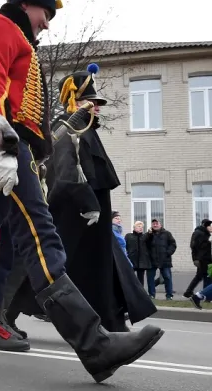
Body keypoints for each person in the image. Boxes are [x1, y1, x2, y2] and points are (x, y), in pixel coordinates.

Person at [0, 0, 164, 381]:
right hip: (4, 148)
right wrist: (3, 152)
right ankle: (95, 345)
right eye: (47, 13)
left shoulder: (15, 35)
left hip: (2, 150)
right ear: (28, 3)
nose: (47, 23)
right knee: (41, 237)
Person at [9, 69, 157, 333]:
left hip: (94, 214)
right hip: (74, 213)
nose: (96, 106)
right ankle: (6, 310)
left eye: (98, 102)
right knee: (52, 267)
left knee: (104, 264)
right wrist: (87, 202)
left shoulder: (87, 128)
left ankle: (111, 319)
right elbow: (66, 173)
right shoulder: (67, 126)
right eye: (89, 101)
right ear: (72, 101)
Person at [145, 219, 177, 300]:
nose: (155, 225)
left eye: (157, 223)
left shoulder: (167, 234)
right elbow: (145, 245)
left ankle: (169, 295)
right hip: (151, 260)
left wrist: (168, 252)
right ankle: (152, 295)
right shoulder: (148, 234)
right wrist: (149, 235)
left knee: (167, 277)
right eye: (153, 224)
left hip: (165, 259)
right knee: (150, 278)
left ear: (160, 225)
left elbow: (173, 244)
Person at [184, 219, 212, 298]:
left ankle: (189, 292)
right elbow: (195, 246)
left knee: (202, 276)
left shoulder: (203, 233)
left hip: (204, 259)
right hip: (203, 259)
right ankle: (204, 295)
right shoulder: (200, 233)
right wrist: (196, 259)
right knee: (204, 277)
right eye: (209, 226)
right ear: (205, 226)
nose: (211, 227)